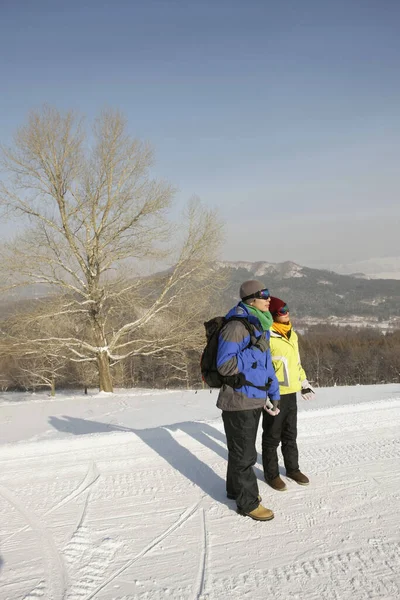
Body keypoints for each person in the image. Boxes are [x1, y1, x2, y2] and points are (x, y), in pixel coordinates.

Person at [216, 280, 280, 521]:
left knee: (239, 451)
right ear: (250, 299)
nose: (269, 298)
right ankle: (248, 503)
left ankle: (235, 490)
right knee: (245, 456)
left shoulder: (259, 324)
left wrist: (274, 391)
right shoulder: (236, 327)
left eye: (269, 293)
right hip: (238, 399)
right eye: (264, 294)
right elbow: (225, 365)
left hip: (254, 396)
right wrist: (254, 349)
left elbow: (266, 364)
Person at [262, 296, 315, 491]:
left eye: (287, 309)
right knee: (271, 436)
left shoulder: (292, 334)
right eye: (282, 311)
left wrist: (304, 383)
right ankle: (271, 474)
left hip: (291, 393)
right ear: (273, 315)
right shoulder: (266, 335)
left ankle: (292, 469)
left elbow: (296, 363)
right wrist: (266, 394)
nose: (286, 313)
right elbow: (262, 366)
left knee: (290, 434)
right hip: (274, 394)